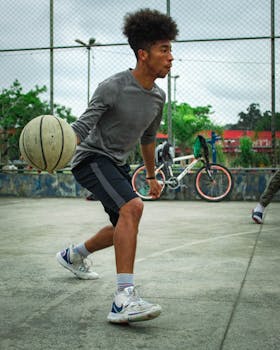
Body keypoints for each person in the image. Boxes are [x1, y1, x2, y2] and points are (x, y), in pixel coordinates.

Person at [56, 8, 178, 324]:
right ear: (143, 54)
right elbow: (82, 128)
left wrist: (152, 175)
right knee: (133, 209)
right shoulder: (113, 86)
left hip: (117, 164)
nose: (171, 57)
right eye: (163, 49)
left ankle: (74, 255)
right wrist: (54, 147)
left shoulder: (158, 96)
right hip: (91, 159)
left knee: (123, 227)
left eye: (170, 49)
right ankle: (123, 300)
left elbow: (148, 139)